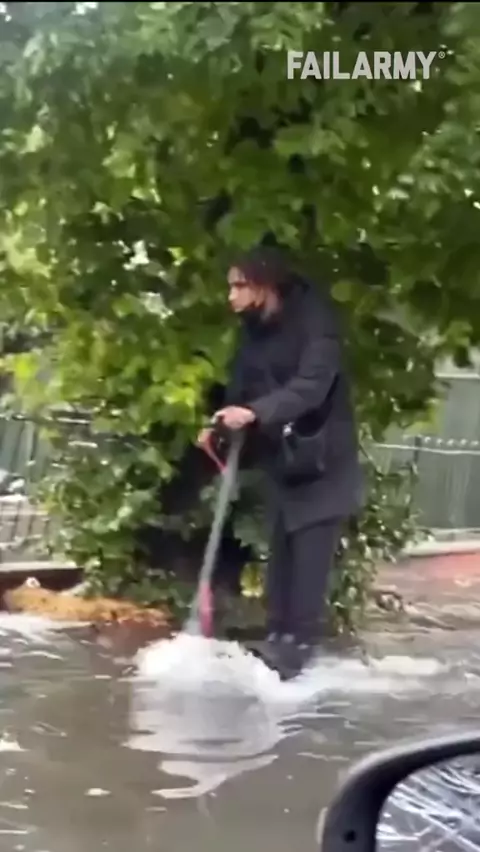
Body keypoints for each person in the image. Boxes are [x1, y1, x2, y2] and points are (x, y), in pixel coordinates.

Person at [197, 246, 363, 679]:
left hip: (322, 459)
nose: (231, 296)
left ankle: (299, 651)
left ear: (265, 284)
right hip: (284, 462)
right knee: (282, 558)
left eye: (239, 285)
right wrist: (219, 425)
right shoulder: (255, 329)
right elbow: (241, 387)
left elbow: (311, 387)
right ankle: (277, 642)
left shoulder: (316, 323)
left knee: (309, 561)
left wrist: (255, 413)